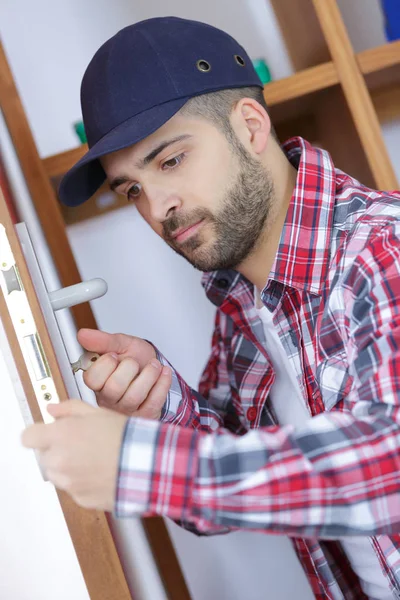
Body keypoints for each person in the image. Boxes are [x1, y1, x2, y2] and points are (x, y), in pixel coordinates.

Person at [22, 17, 400, 600]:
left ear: (250, 126)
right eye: (131, 189)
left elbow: (387, 469)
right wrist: (160, 400)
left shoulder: (383, 248)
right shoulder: (243, 304)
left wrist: (133, 463)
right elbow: (221, 502)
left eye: (170, 161)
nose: (158, 208)